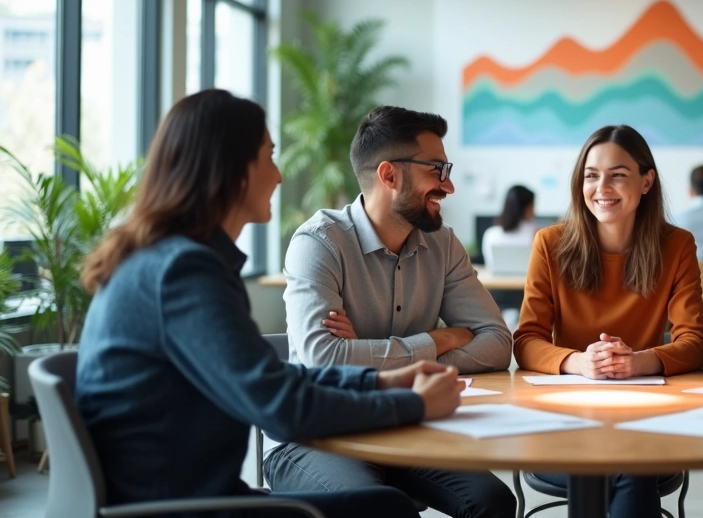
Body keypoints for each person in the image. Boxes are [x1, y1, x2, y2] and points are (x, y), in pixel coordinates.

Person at [75, 89, 464, 517]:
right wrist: (415, 404)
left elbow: (270, 377)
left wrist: (379, 383)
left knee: (385, 504)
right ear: (231, 169)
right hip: (174, 508)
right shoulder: (184, 273)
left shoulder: (169, 261)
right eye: (269, 156)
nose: (278, 176)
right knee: (385, 510)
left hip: (187, 495)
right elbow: (282, 407)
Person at [264, 107, 515, 518]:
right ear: (389, 175)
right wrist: (437, 340)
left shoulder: (443, 245)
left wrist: (361, 353)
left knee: (493, 501)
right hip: (315, 436)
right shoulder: (318, 243)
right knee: (381, 510)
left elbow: (497, 343)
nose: (448, 185)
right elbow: (322, 359)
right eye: (437, 169)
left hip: (405, 424)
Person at [513, 124, 703, 518]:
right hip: (563, 420)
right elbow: (526, 340)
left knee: (630, 458)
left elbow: (695, 342)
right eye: (591, 175)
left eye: (617, 175)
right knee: (630, 465)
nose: (602, 188)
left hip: (644, 418)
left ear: (646, 181)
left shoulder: (677, 245)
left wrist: (638, 361)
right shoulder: (550, 243)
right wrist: (580, 362)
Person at [481, 184, 541, 273]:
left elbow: (489, 264)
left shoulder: (491, 234)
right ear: (527, 207)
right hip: (526, 280)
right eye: (533, 205)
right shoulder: (537, 233)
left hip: (497, 281)